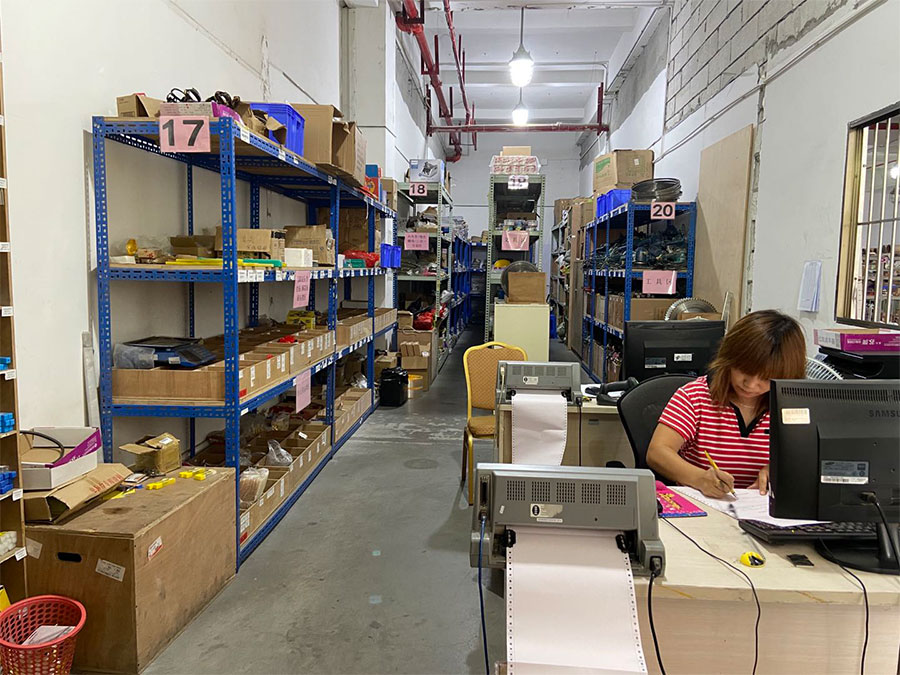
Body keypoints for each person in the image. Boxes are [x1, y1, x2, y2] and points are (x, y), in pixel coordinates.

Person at [646, 310, 806, 497]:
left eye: (766, 378)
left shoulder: (793, 407)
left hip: (762, 508)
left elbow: (806, 459)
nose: (750, 384)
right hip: (702, 504)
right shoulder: (696, 396)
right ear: (729, 359)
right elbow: (657, 452)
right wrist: (699, 478)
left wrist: (779, 469)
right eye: (744, 370)